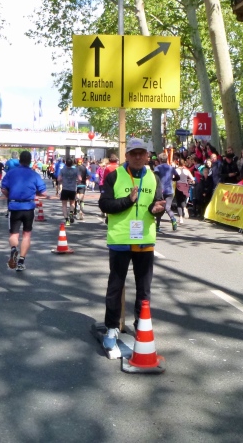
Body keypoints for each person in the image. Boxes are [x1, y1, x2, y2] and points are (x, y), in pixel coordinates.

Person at [98, 138, 166, 350]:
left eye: (141, 153)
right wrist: (128, 201)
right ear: (126, 155)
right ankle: (111, 327)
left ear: (147, 156)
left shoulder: (154, 177)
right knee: (115, 287)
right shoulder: (114, 176)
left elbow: (156, 205)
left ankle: (141, 325)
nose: (137, 157)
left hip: (145, 240)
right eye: (133, 153)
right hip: (120, 239)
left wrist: (158, 210)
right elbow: (104, 205)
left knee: (144, 289)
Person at [0, 151, 47, 271]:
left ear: (19, 160)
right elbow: (44, 192)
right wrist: (35, 192)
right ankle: (21, 261)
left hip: (14, 206)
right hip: (29, 207)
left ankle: (13, 249)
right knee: (26, 235)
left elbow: (3, 188)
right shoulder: (34, 174)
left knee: (13, 234)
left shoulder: (11, 173)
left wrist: (9, 195)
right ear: (30, 161)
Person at [153, 152, 179, 232]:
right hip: (170, 190)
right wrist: (172, 179)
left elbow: (155, 178)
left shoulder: (157, 168)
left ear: (160, 159)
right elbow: (178, 177)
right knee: (167, 207)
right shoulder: (171, 168)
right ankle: (173, 219)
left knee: (159, 208)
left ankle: (157, 226)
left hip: (160, 190)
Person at [57, 158, 80, 226]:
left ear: (65, 163)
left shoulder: (62, 170)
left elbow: (58, 179)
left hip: (65, 189)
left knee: (64, 205)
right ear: (72, 163)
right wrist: (77, 182)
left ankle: (67, 220)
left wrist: (62, 180)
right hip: (72, 189)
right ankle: (71, 212)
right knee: (72, 203)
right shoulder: (76, 170)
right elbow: (80, 178)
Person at [174, 158, 194, 222]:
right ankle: (185, 208)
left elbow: (172, 177)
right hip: (185, 187)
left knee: (178, 202)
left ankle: (180, 218)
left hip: (178, 186)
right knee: (183, 200)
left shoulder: (176, 170)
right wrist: (190, 181)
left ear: (178, 163)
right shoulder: (187, 171)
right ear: (184, 164)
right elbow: (192, 179)